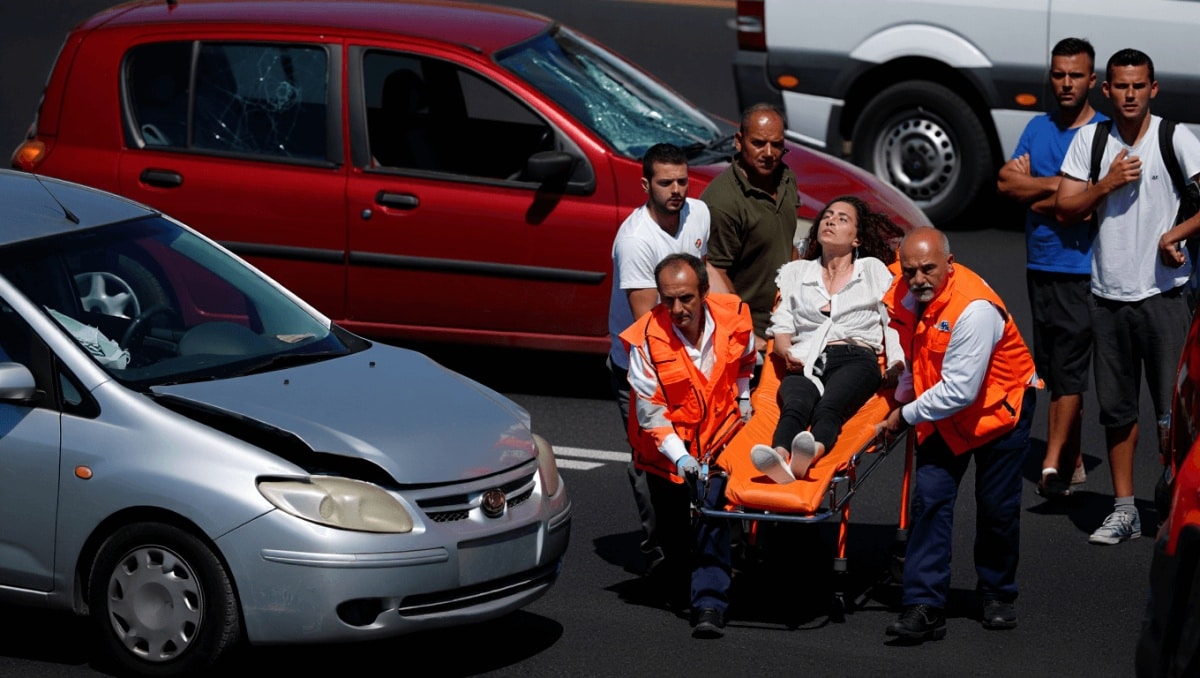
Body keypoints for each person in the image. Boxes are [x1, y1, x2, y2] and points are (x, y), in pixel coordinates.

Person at [1055, 48, 1200, 544]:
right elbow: (1064, 206)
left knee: (1175, 412)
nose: (1131, 94)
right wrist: (1106, 184)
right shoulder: (1091, 141)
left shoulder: (1174, 136)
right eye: (1121, 86)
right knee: (1116, 411)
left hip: (1164, 296)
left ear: (1153, 89)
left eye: (1139, 85)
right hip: (1107, 294)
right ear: (1107, 89)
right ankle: (1124, 509)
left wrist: (1174, 233)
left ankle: (1178, 502)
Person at [879, 227, 1040, 642]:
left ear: (949, 264)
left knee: (996, 508)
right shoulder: (904, 293)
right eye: (910, 270)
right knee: (929, 502)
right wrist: (903, 397)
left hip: (997, 414)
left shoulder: (975, 309)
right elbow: (915, 353)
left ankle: (997, 592)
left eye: (928, 269)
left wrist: (904, 416)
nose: (918, 280)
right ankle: (924, 605)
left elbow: (961, 391)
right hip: (942, 412)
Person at [622, 253, 756, 639]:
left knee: (712, 513)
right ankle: (681, 579)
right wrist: (680, 456)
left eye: (686, 299)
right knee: (675, 532)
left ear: (704, 292)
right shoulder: (647, 340)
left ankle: (709, 605)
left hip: (720, 437)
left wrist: (744, 399)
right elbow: (651, 413)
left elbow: (746, 359)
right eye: (668, 300)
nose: (677, 309)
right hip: (667, 451)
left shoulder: (733, 316)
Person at [996, 37, 1107, 497]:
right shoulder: (1038, 128)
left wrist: (1040, 192)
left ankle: (1051, 464)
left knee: (1067, 370)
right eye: (1059, 74)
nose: (1065, 83)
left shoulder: (1103, 133)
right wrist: (1061, 188)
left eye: (1075, 75)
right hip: (1039, 263)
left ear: (1092, 81)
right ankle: (1075, 459)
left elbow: (1078, 210)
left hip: (1080, 268)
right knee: (1052, 367)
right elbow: (1005, 182)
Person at [608, 143, 711, 575]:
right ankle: (661, 556)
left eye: (682, 181)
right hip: (640, 363)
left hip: (688, 354)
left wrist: (735, 327)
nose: (676, 190)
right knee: (652, 458)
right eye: (666, 182)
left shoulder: (699, 213)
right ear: (646, 184)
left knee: (699, 448)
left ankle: (698, 541)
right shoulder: (635, 241)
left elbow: (707, 277)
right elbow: (651, 324)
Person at [749, 196, 905, 483]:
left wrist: (896, 363)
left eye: (842, 219)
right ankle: (779, 455)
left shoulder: (871, 270)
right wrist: (786, 353)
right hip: (807, 357)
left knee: (829, 406)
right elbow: (782, 322)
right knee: (795, 402)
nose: (830, 220)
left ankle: (813, 452)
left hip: (856, 357)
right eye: (827, 216)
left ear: (857, 239)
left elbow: (891, 321)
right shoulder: (797, 272)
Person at [701, 103, 800, 351]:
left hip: (787, 325)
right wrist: (747, 336)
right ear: (739, 141)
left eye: (777, 145)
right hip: (749, 338)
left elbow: (786, 242)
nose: (769, 153)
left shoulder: (786, 178)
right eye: (758, 143)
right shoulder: (722, 202)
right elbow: (715, 276)